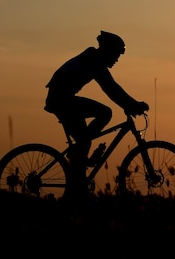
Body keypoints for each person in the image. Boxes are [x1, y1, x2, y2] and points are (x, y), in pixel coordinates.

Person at [44, 30, 149, 195]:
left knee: (85, 141)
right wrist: (133, 105)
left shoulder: (93, 58)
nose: (116, 60)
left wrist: (130, 105)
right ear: (107, 51)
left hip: (62, 99)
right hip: (61, 100)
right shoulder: (94, 60)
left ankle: (78, 169)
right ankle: (78, 173)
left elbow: (112, 88)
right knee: (104, 114)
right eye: (115, 55)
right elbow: (111, 88)